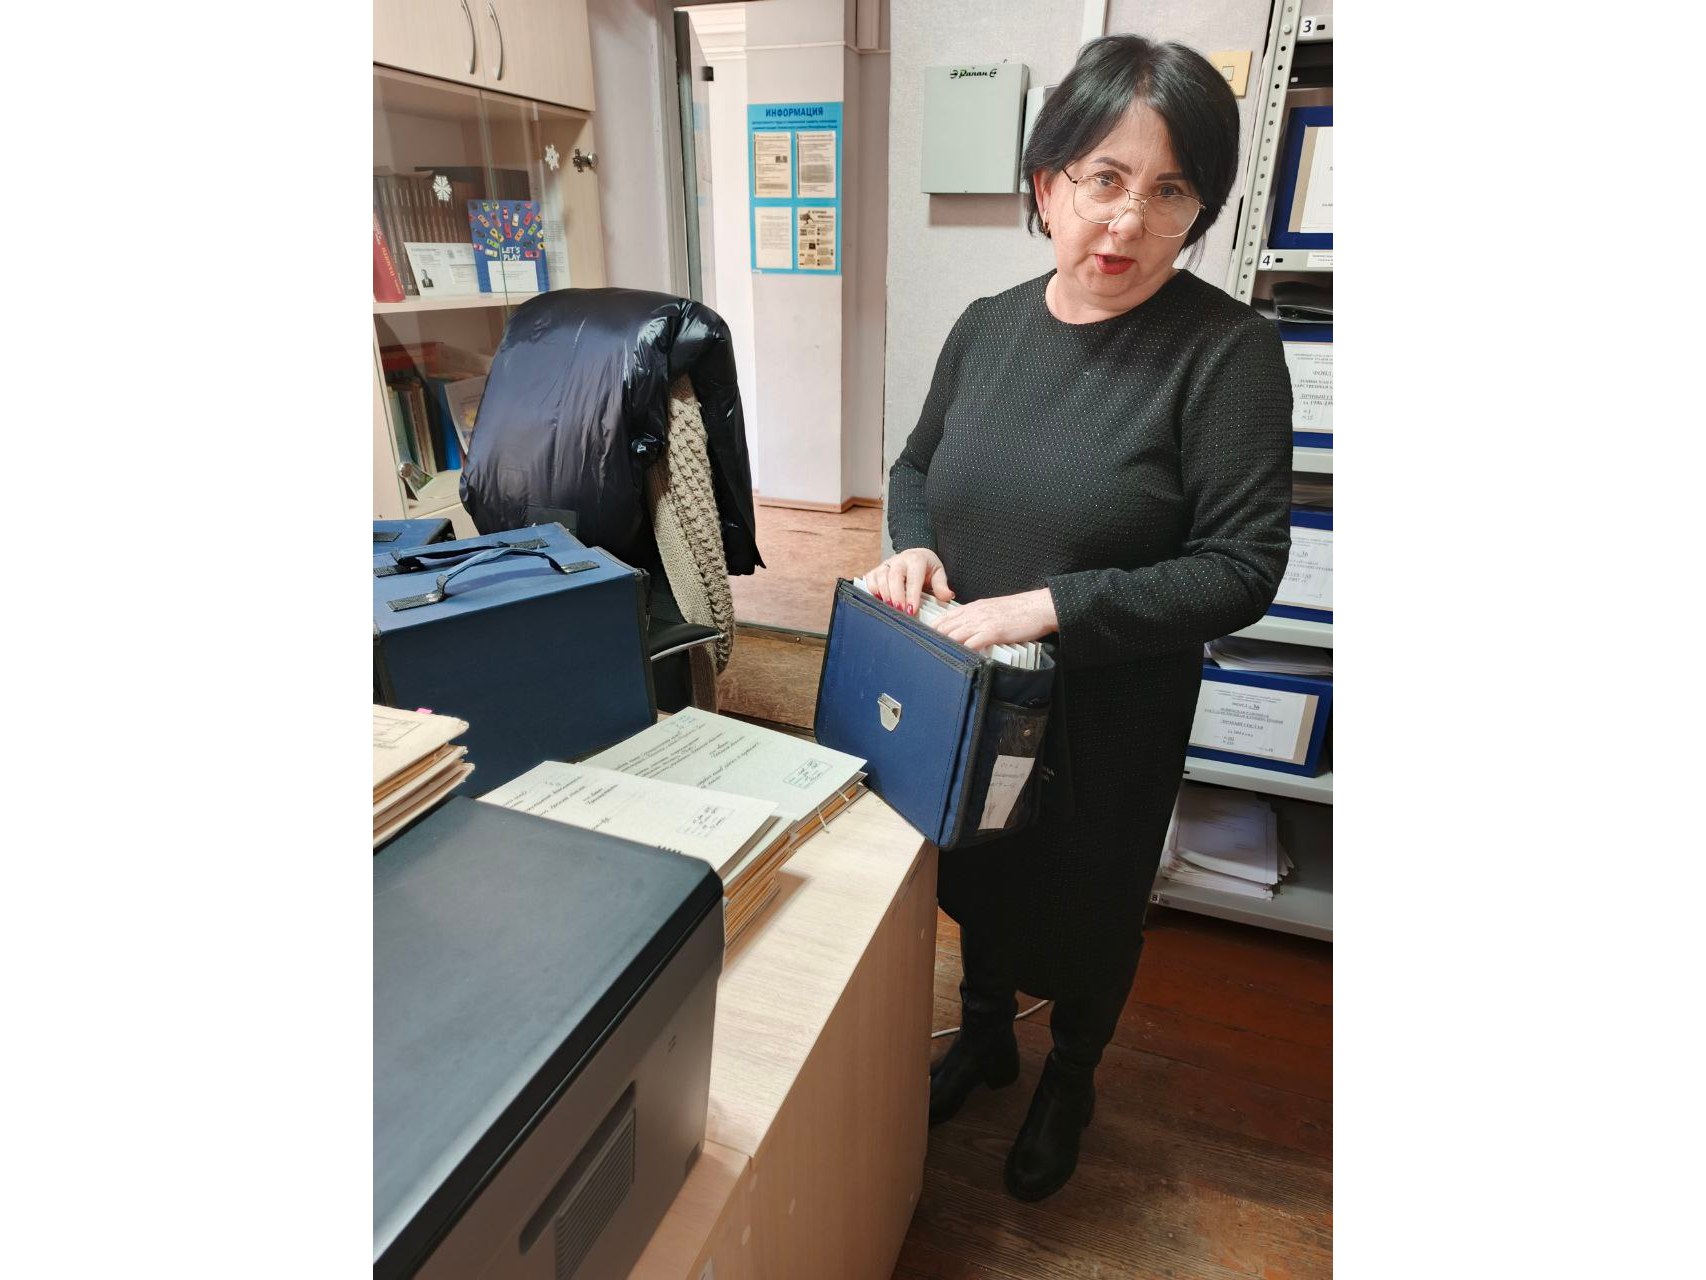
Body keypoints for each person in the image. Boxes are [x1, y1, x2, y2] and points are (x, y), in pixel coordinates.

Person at [863, 34, 1293, 1203]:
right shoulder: (985, 324)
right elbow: (914, 465)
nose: (1127, 220)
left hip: (1110, 709)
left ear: (1200, 208)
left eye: (1170, 191)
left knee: (1089, 898)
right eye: (1103, 177)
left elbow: (1241, 568)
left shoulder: (1226, 354)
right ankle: (984, 1034)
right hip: (974, 691)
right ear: (1046, 183)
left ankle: (1071, 1075)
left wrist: (1041, 605)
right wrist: (912, 542)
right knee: (974, 868)